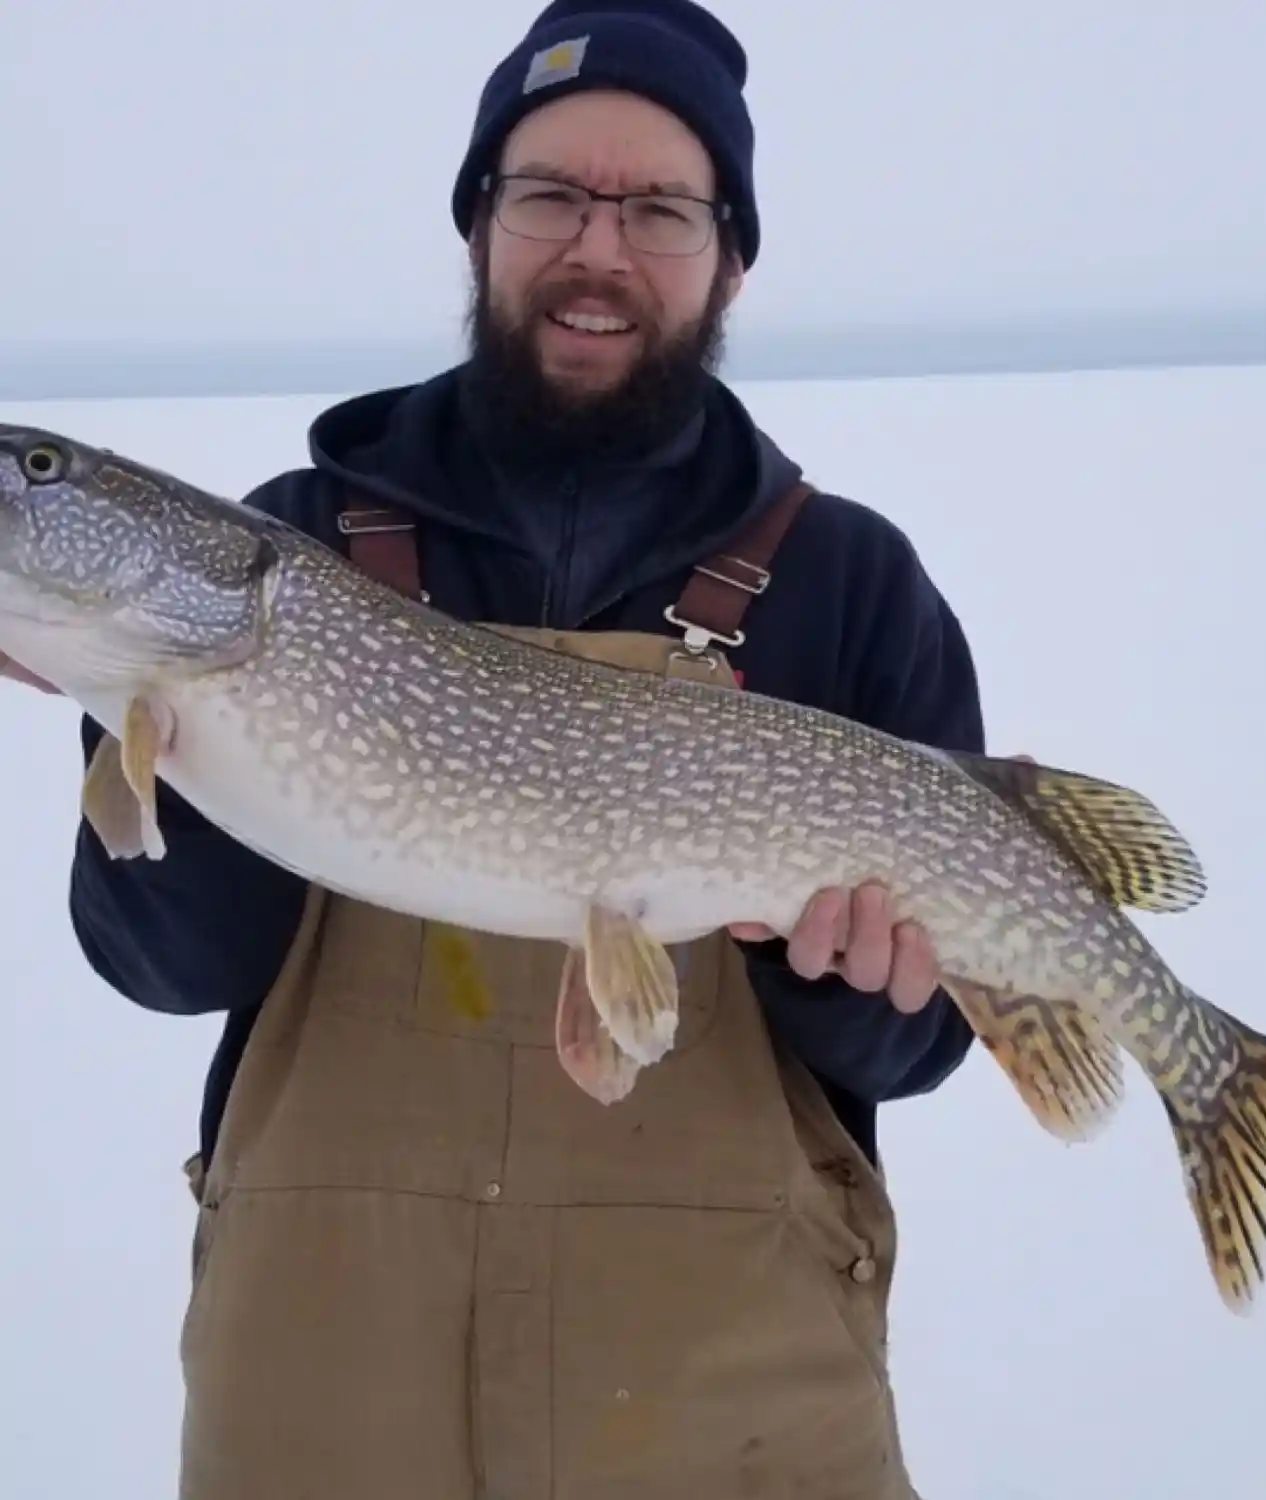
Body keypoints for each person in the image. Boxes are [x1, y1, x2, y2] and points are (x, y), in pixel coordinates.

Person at [8, 2, 989, 1494]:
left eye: (659, 206)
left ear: (730, 254)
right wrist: (171, 737)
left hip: (733, 1392)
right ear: (478, 226)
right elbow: (164, 969)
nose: (598, 249)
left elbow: (915, 1049)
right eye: (548, 195)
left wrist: (853, 978)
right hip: (323, 1374)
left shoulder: (849, 582)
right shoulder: (293, 545)